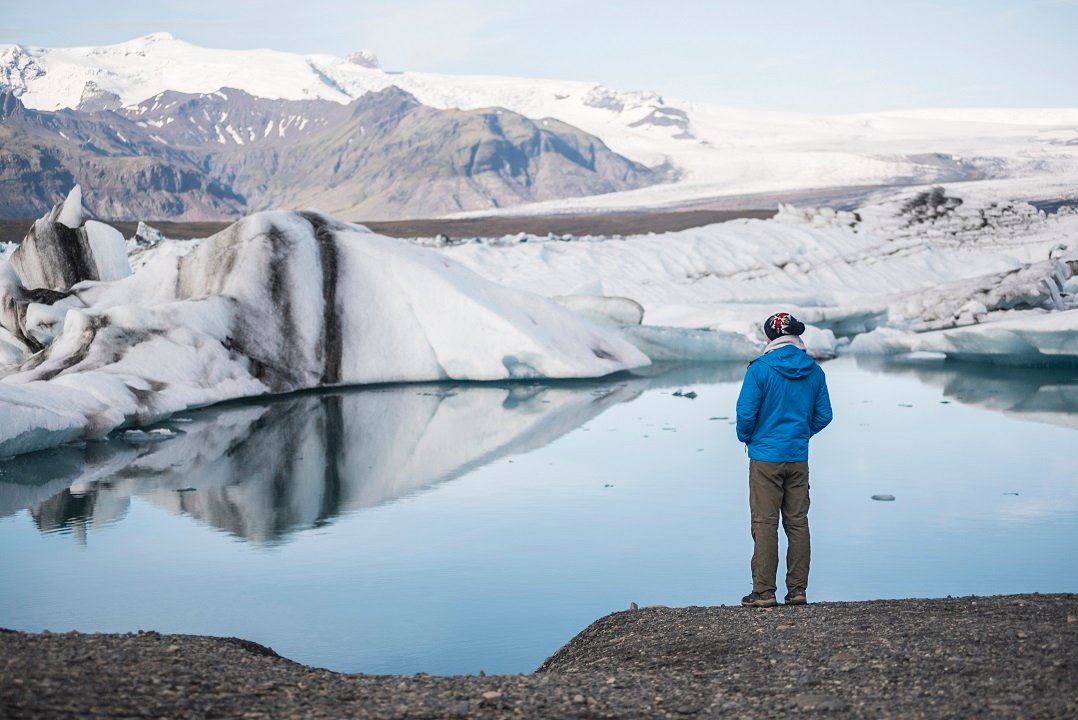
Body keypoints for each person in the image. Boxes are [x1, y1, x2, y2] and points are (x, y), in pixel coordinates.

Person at [735, 312, 832, 608]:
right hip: (797, 457)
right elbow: (824, 415)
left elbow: (745, 415)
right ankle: (798, 591)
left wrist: (750, 438)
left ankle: (764, 592)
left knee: (765, 523)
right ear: (798, 335)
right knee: (798, 523)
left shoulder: (759, 369)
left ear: (769, 338)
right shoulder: (814, 370)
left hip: (765, 458)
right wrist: (800, 435)